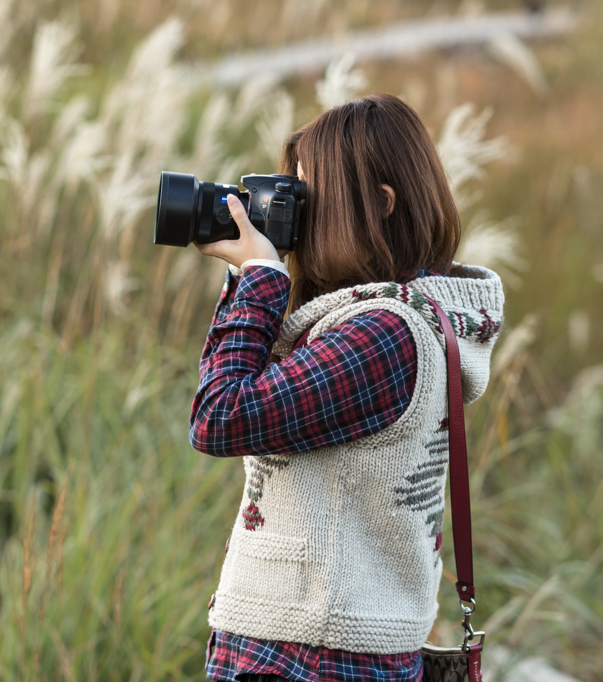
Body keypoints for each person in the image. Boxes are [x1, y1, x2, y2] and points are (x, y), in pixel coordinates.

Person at [190, 93, 504, 682]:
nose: (297, 218)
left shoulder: (385, 335)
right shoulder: (398, 322)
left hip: (308, 652)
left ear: (381, 204)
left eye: (311, 197)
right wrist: (255, 276)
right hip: (322, 641)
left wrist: (260, 280)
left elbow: (221, 416)